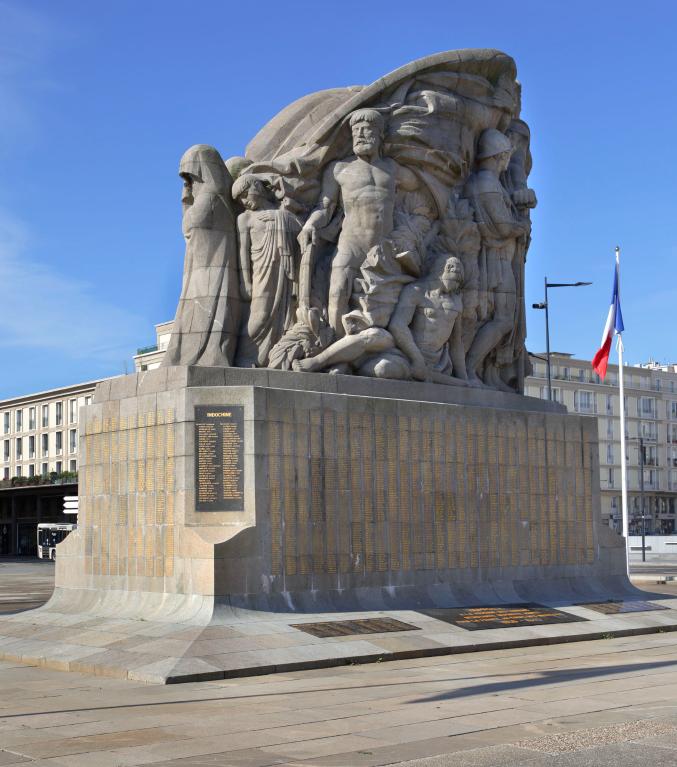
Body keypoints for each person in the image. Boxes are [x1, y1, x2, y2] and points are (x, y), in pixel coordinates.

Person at [297, 109, 418, 338]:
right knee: (338, 289)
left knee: (379, 303)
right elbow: (324, 206)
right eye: (356, 131)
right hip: (351, 242)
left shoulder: (393, 169)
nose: (361, 135)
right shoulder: (340, 169)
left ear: (380, 135)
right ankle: (333, 343)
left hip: (382, 247)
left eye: (367, 130)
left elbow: (422, 196)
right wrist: (310, 225)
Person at [293, 254, 466, 385]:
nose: (456, 279)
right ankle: (317, 362)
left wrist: (464, 378)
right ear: (439, 271)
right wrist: (416, 358)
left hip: (430, 365)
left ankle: (348, 365)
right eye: (451, 272)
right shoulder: (416, 291)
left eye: (458, 278)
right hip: (403, 347)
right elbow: (398, 326)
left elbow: (456, 343)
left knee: (382, 369)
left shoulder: (456, 302)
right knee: (372, 335)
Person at [163, 145, 241, 367]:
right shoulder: (210, 199)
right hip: (197, 272)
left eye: (191, 178)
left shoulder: (212, 199)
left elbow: (189, 225)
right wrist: (187, 200)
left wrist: (187, 202)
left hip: (213, 271)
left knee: (207, 321)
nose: (189, 185)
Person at [462, 129, 528, 388]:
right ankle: (469, 368)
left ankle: (482, 371)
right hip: (495, 262)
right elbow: (503, 227)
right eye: (504, 157)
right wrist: (522, 222)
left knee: (495, 319)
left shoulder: (481, 183)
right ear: (498, 156)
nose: (505, 163)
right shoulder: (488, 184)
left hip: (492, 259)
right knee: (502, 320)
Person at [232, 175, 302, 366]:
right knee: (259, 316)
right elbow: (242, 253)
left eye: (245, 195)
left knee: (287, 312)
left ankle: (276, 356)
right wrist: (244, 282)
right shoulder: (244, 218)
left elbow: (301, 231)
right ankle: (246, 358)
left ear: (256, 188)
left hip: (285, 272)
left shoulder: (282, 212)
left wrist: (284, 214)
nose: (245, 201)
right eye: (240, 200)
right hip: (261, 272)